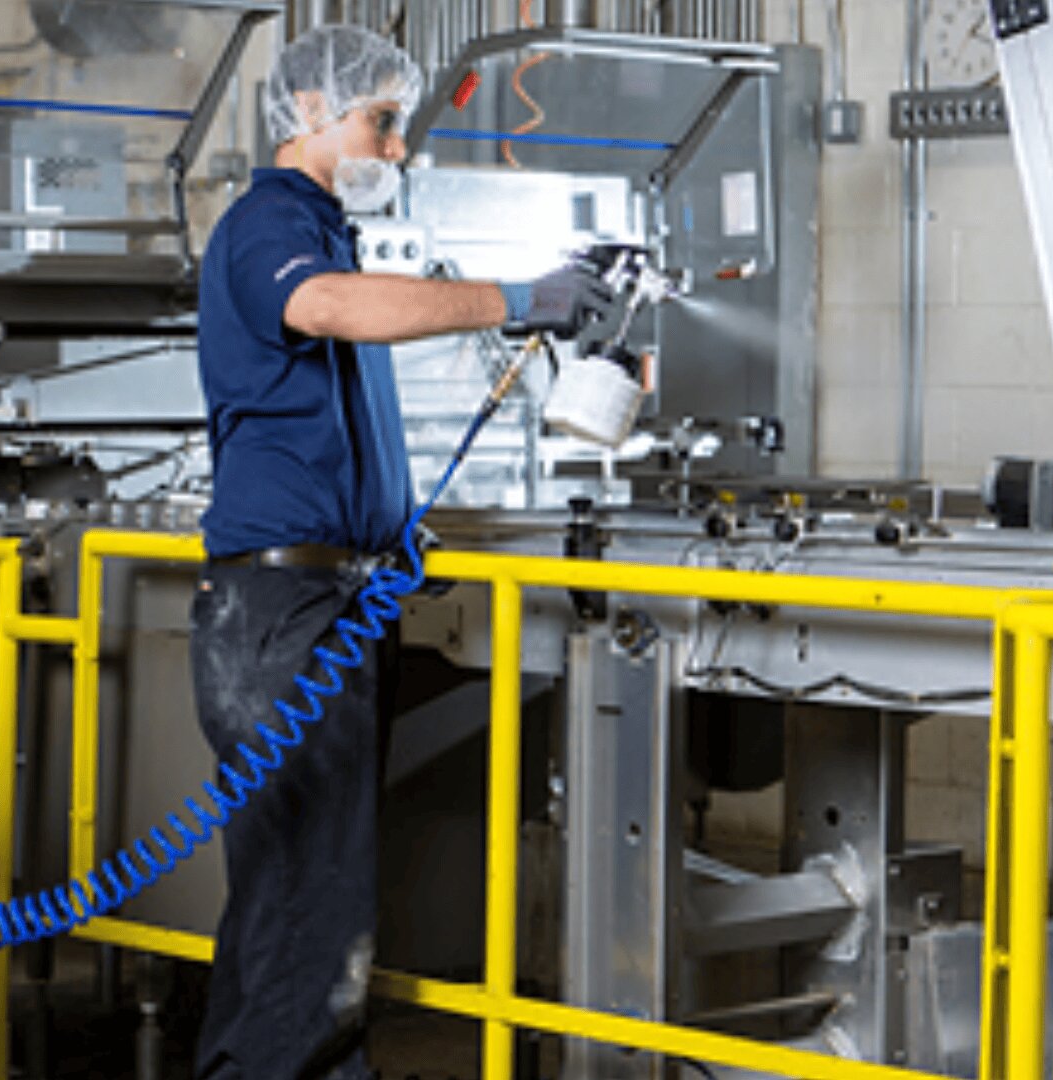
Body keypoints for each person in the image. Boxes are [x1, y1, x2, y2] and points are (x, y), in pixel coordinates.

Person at [188, 24, 617, 1079]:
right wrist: (522, 299)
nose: (398, 148)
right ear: (307, 114)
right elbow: (327, 310)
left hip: (323, 599)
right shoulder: (270, 227)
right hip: (281, 617)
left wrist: (388, 532)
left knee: (293, 898)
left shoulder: (326, 231)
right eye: (381, 122)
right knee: (314, 908)